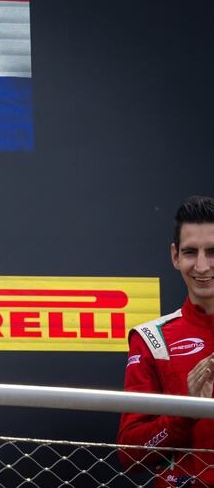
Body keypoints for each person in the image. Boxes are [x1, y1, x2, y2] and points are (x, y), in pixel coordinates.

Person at [118, 195, 214, 487]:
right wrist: (184, 412)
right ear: (175, 256)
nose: (202, 266)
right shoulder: (152, 339)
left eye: (212, 252)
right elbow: (130, 454)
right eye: (190, 252)